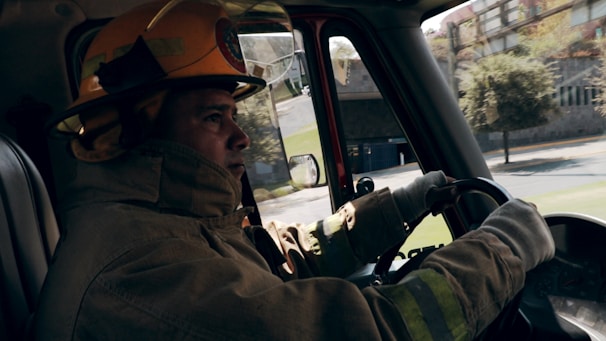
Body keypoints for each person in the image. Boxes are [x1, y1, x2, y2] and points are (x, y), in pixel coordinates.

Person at [34, 1, 555, 340]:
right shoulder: (141, 275)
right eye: (214, 117)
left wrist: (396, 206)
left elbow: (277, 259)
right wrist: (503, 250)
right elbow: (376, 331)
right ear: (133, 130)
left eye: (234, 115)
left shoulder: (163, 226)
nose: (240, 136)